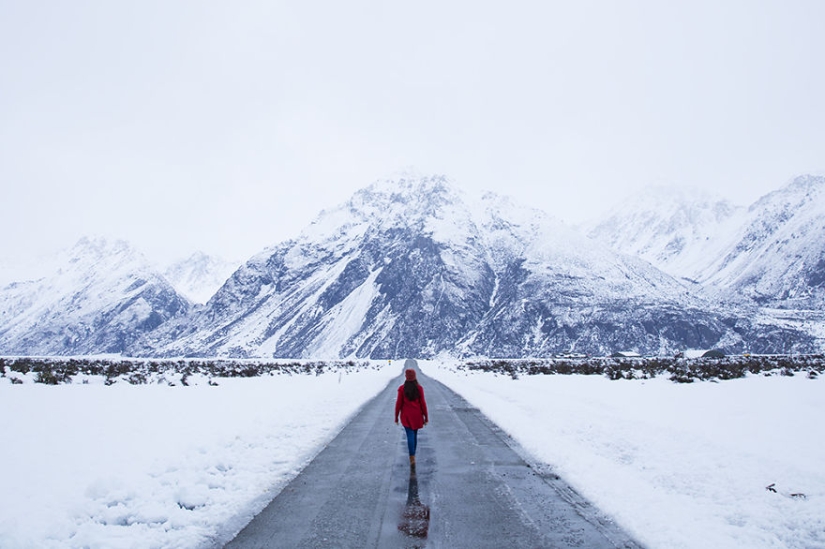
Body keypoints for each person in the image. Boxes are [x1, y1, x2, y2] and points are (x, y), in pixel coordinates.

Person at [394, 368, 428, 468]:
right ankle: (413, 454)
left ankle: (411, 456)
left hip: (406, 416)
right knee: (415, 434)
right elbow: (423, 404)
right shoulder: (419, 388)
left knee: (409, 434)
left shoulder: (401, 389)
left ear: (406, 377)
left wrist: (396, 417)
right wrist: (426, 417)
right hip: (417, 416)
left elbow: (398, 404)